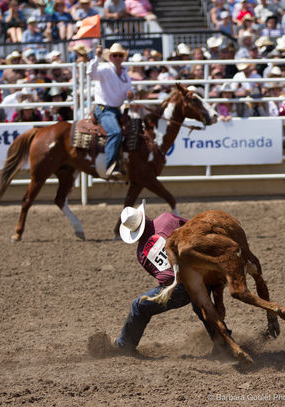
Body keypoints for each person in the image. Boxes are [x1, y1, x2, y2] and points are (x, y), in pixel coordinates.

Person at [87, 200, 228, 356]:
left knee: (139, 306)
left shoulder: (142, 252)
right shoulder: (167, 219)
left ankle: (124, 345)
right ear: (143, 216)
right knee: (200, 304)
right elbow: (197, 231)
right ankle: (223, 341)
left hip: (182, 283)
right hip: (205, 269)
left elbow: (166, 278)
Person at [87, 43, 134, 178]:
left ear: (123, 57)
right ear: (110, 57)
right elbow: (91, 74)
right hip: (104, 109)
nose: (117, 57)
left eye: (120, 55)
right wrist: (96, 57)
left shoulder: (125, 73)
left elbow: (128, 91)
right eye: (115, 55)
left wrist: (131, 94)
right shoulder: (104, 69)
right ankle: (110, 166)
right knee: (115, 132)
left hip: (116, 110)